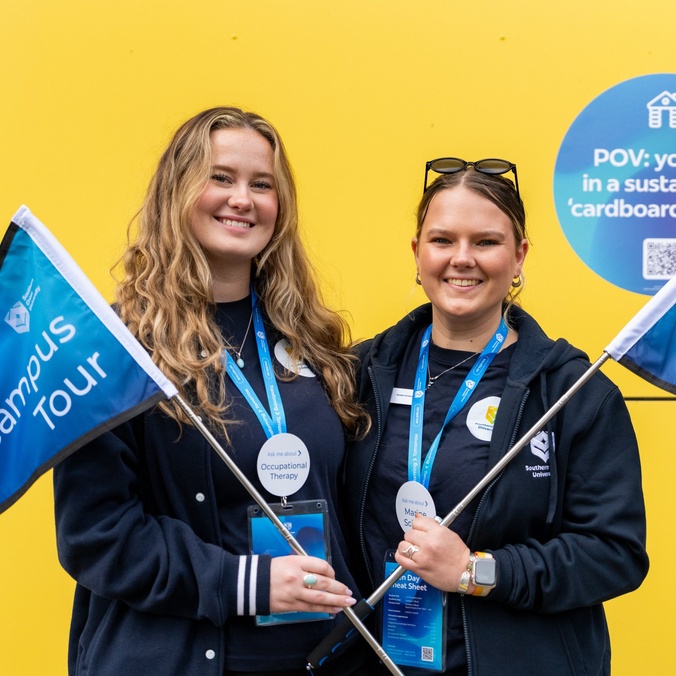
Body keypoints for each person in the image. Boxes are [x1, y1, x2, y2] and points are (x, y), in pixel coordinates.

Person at [53, 107, 371, 676]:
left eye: (262, 184)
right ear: (177, 193)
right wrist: (247, 583)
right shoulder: (119, 351)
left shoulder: (313, 340)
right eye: (220, 177)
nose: (242, 199)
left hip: (320, 658)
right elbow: (95, 537)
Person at [343, 158, 649, 675]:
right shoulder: (359, 375)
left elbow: (614, 553)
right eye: (442, 241)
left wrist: (476, 571)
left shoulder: (574, 392)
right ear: (417, 255)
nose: (462, 259)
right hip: (382, 661)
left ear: (519, 256)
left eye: (485, 242)